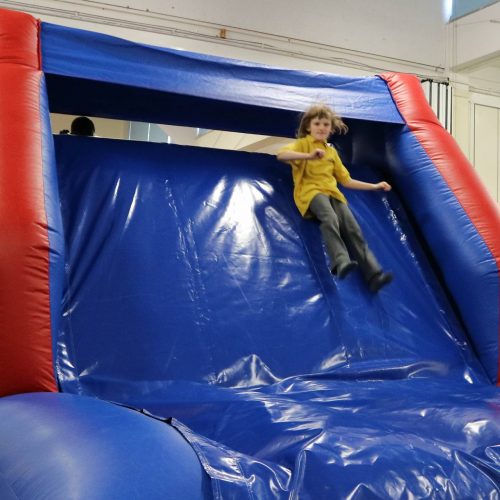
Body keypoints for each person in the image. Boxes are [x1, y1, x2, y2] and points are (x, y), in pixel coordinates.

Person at [277, 104, 393, 293]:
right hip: (311, 192)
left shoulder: (332, 153)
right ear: (308, 127)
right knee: (330, 218)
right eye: (317, 124)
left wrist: (374, 186)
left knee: (353, 228)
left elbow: (346, 181)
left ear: (331, 129)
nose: (321, 127)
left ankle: (374, 275)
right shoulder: (303, 144)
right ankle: (339, 261)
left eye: (326, 124)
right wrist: (308, 156)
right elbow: (282, 155)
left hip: (333, 193)